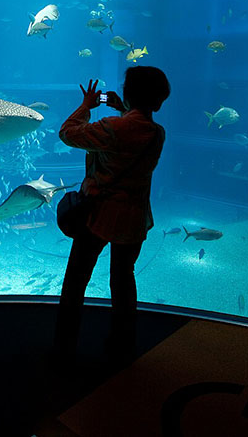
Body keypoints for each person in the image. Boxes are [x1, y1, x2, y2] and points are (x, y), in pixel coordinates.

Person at [54, 66, 170, 366]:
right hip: (133, 218)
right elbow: (135, 129)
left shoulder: (112, 128)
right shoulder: (158, 134)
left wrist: (85, 106)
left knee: (76, 281)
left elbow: (67, 133)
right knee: (123, 281)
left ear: (128, 94)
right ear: (157, 102)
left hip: (98, 216)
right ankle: (122, 346)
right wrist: (126, 108)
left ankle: (63, 348)